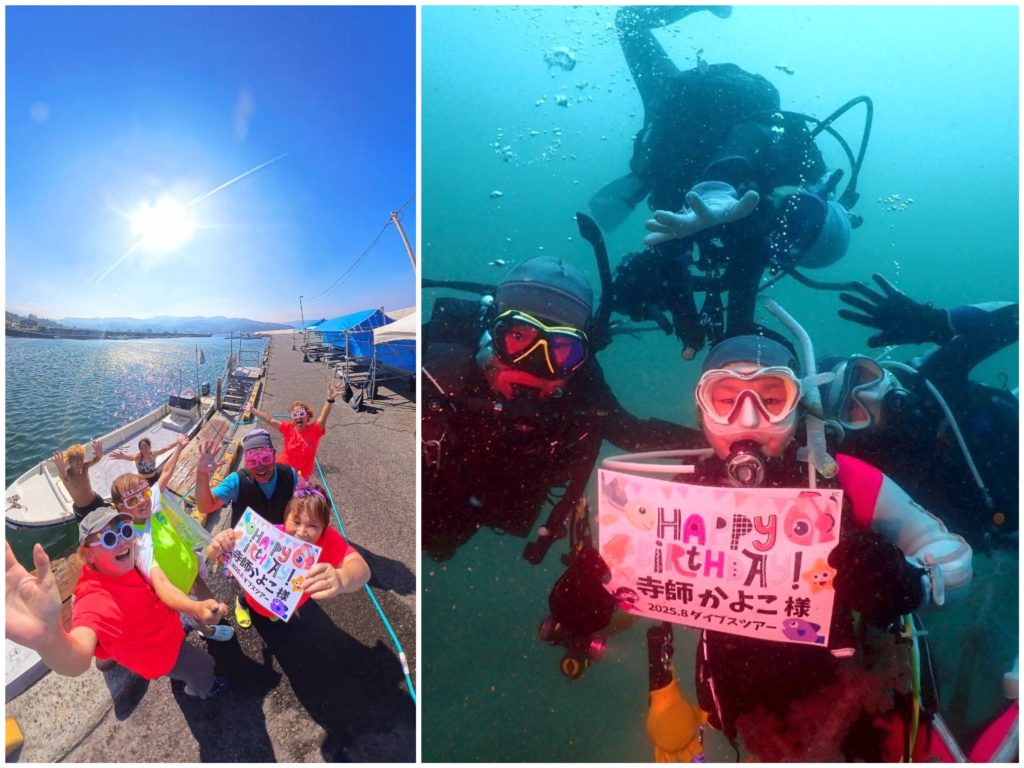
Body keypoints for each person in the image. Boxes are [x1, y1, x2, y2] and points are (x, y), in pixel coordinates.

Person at [638, 330, 971, 761]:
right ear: (702, 409)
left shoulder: (842, 478)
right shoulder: (683, 495)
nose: (749, 419)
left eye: (770, 399)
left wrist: (912, 581)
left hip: (865, 706)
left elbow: (953, 557)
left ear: (799, 407)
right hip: (749, 715)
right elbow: (636, 591)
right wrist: (592, 601)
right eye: (727, 399)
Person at [595, 6, 855, 358]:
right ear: (813, 193)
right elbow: (748, 141)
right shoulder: (781, 146)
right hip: (682, 114)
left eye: (786, 240)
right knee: (630, 20)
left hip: (670, 164)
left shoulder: (758, 235)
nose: (782, 219)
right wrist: (716, 192)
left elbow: (738, 300)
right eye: (801, 212)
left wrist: (692, 323)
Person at [423, 255, 703, 563]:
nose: (534, 362)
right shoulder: (435, 365)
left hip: (482, 508)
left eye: (559, 347)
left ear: (579, 356)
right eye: (518, 336)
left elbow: (633, 434)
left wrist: (718, 445)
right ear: (490, 335)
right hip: (432, 496)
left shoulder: (583, 387)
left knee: (445, 539)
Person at [822, 273, 1018, 550]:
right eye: (851, 408)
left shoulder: (931, 377)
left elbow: (1015, 317)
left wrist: (938, 322)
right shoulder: (871, 475)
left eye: (862, 376)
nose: (870, 395)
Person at [5, 508, 228, 699]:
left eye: (125, 531)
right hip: (162, 656)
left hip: (167, 634)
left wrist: (195, 607)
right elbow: (77, 659)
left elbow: (162, 584)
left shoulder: (133, 557)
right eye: (109, 539)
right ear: (89, 555)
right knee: (203, 666)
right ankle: (201, 689)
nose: (122, 541)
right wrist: (48, 638)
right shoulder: (93, 599)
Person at [111, 434, 233, 644]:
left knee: (204, 607)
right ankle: (208, 632)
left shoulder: (153, 505)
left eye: (143, 494)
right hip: (173, 589)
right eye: (132, 501)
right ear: (121, 508)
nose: (142, 502)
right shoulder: (131, 538)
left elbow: (166, 472)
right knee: (200, 611)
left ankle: (205, 626)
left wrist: (178, 446)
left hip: (190, 568)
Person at [206, 479, 371, 621]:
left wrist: (342, 578)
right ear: (285, 518)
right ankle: (241, 604)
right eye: (296, 522)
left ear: (324, 527)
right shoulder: (270, 535)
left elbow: (361, 568)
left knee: (275, 613)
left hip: (285, 601)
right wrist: (218, 544)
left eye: (313, 526)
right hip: (254, 593)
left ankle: (275, 613)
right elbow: (214, 556)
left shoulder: (328, 539)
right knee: (245, 598)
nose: (302, 532)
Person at [195, 429, 298, 627]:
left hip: (277, 546)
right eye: (252, 460)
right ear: (246, 462)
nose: (260, 466)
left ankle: (267, 603)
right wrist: (201, 474)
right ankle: (242, 602)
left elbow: (297, 506)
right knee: (247, 581)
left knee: (272, 578)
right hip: (246, 547)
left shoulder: (289, 474)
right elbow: (205, 506)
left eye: (265, 458)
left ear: (273, 454)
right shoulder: (237, 480)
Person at [245, 381, 345, 479]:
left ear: (308, 416)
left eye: (301, 414)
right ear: (292, 418)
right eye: (295, 415)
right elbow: (270, 420)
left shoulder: (315, 430)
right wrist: (253, 410)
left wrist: (329, 400)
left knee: (300, 489)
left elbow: (323, 417)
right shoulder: (288, 428)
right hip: (284, 467)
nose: (298, 417)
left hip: (304, 473)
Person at [52, 439, 107, 519]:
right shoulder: (68, 476)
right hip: (82, 510)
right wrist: (61, 468)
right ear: (70, 462)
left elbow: (95, 460)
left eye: (81, 459)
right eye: (75, 460)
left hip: (96, 501)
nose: (79, 462)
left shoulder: (85, 467)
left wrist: (99, 455)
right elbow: (62, 475)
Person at [109, 437, 181, 484]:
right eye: (141, 448)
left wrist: (177, 442)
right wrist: (123, 456)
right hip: (143, 481)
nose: (144, 450)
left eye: (146, 447)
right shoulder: (138, 457)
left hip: (155, 477)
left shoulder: (153, 454)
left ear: (150, 447)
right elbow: (131, 457)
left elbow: (166, 448)